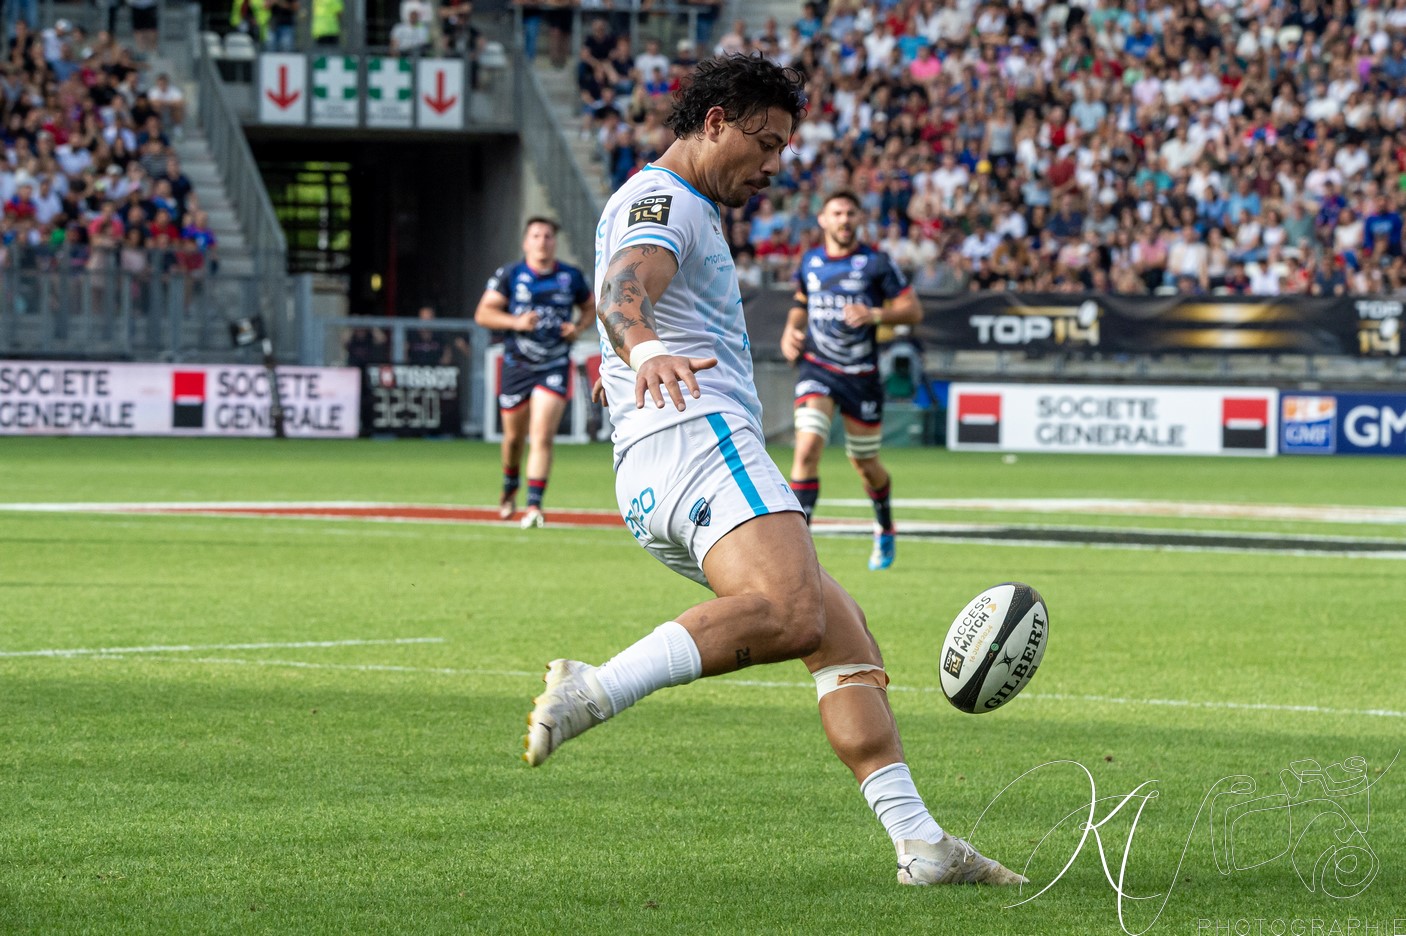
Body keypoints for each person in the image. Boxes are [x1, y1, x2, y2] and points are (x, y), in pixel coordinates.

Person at [522, 54, 1024, 888]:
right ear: (714, 120)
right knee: (792, 615)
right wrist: (644, 344)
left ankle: (922, 845)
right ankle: (594, 688)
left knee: (840, 633)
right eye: (765, 142)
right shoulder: (662, 200)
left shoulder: (678, 204)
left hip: (655, 469)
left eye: (785, 148)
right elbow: (620, 289)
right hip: (699, 436)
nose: (774, 164)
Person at [779, 190, 922, 571]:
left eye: (850, 213)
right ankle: (797, 551)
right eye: (836, 213)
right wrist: (790, 332)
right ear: (823, 220)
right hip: (817, 368)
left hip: (861, 376)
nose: (843, 220)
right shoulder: (810, 262)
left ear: (859, 219)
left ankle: (885, 525)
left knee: (865, 463)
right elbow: (800, 305)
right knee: (807, 447)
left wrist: (875, 315)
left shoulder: (876, 263)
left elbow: (913, 310)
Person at [473, 217, 594, 529]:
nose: (543, 241)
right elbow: (484, 313)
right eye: (536, 236)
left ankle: (534, 506)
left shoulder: (570, 276)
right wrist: (515, 323)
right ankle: (510, 483)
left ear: (555, 242)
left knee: (542, 436)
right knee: (513, 438)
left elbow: (592, 307)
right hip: (517, 366)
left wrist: (577, 328)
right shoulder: (511, 275)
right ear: (526, 242)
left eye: (548, 236)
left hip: (554, 364)